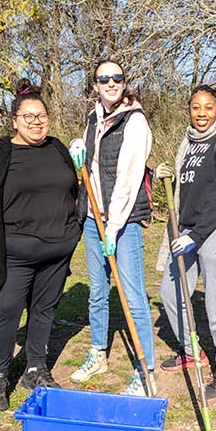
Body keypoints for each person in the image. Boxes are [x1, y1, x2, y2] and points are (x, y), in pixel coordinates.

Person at [0, 80, 81, 411]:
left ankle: (35, 369)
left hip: (57, 251)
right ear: (15, 119)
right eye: (28, 116)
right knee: (6, 312)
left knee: (44, 311)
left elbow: (74, 191)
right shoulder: (1, 152)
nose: (36, 122)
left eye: (41, 116)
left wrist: (72, 232)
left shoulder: (58, 149)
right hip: (15, 253)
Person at [68, 59, 156, 396]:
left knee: (133, 298)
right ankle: (98, 353)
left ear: (124, 82)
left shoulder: (135, 122)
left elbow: (128, 180)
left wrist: (113, 226)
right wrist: (79, 149)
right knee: (96, 292)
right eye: (103, 78)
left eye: (117, 78)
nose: (110, 83)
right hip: (93, 218)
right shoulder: (94, 119)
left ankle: (145, 370)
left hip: (124, 222)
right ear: (94, 84)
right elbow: (93, 167)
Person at [155, 84, 216, 403]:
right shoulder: (188, 144)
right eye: (196, 107)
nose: (201, 113)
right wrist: (167, 177)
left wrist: (196, 234)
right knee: (170, 290)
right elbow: (189, 191)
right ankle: (193, 352)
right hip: (188, 228)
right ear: (189, 110)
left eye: (207, 107)